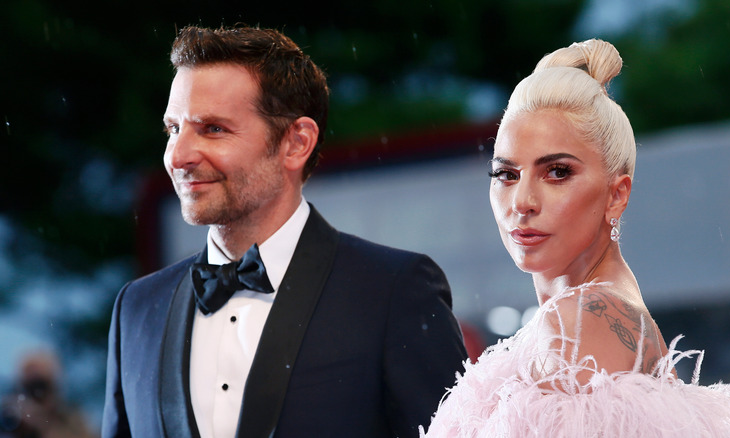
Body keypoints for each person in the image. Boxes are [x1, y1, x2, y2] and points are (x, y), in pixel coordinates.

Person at [101, 25, 468, 438]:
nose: (179, 155)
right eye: (173, 129)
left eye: (213, 129)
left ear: (296, 143)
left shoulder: (393, 291)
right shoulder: (136, 309)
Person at [422, 39, 730, 437]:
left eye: (557, 172)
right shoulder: (599, 312)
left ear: (616, 195)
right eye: (507, 175)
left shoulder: (580, 321)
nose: (522, 201)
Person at [1, 350, 96, 438]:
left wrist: (40, 425)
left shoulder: (73, 422)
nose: (36, 395)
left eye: (40, 386)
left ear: (54, 387)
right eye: (28, 388)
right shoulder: (12, 419)